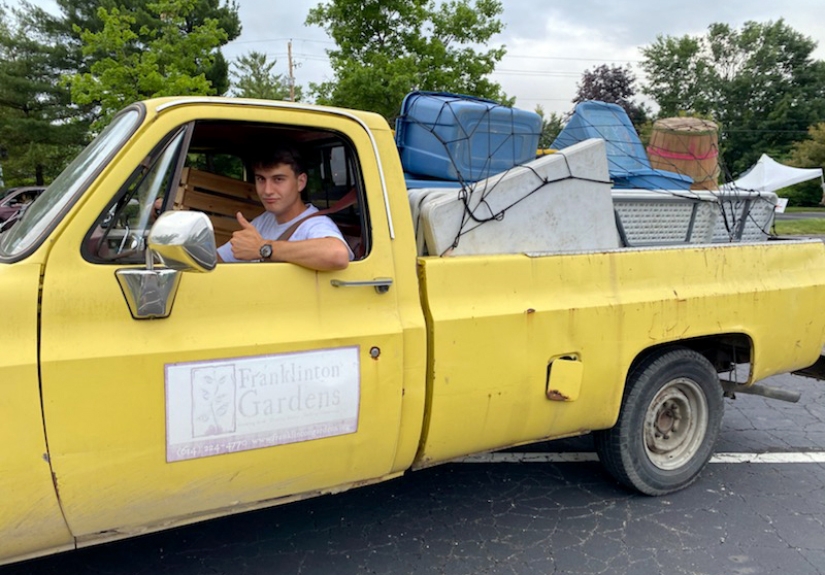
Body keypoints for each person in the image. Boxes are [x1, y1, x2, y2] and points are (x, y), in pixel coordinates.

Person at [216, 144, 352, 270]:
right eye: (261, 179)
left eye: (278, 179)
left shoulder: (315, 225)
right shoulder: (265, 220)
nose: (267, 190)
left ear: (301, 182)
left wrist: (262, 249)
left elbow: (338, 254)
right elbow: (219, 260)